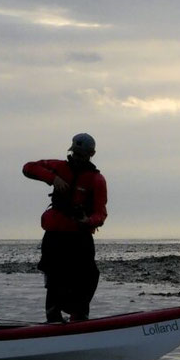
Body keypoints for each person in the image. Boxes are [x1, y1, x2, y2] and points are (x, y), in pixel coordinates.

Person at [23, 133, 108, 323]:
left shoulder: (97, 180)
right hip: (55, 236)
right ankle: (53, 318)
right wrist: (52, 179)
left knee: (89, 276)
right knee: (54, 277)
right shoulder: (58, 167)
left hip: (80, 237)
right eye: (74, 153)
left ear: (91, 154)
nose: (76, 158)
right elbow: (28, 168)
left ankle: (79, 318)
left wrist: (88, 220)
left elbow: (101, 214)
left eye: (81, 154)